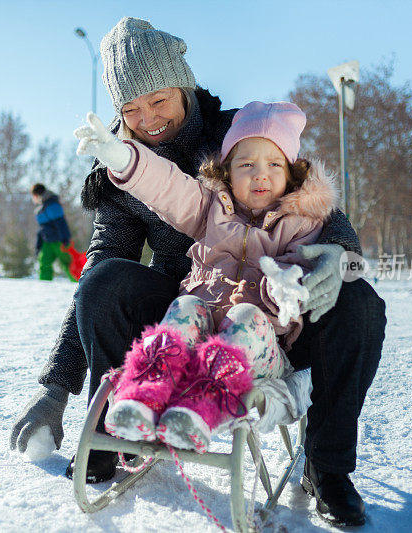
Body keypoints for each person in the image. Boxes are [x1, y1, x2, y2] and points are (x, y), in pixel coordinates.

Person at [10, 17, 385, 528]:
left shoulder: (244, 137)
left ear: (183, 84)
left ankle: (328, 465)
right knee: (104, 283)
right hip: (188, 302)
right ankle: (115, 427)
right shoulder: (121, 167)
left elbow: (322, 213)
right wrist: (57, 385)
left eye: (158, 100)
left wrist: (339, 257)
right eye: (130, 108)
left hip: (275, 314)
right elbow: (111, 252)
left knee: (359, 299)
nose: (148, 119)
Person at [76, 100, 334, 454]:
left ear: (291, 173)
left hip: (261, 352)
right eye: (247, 164)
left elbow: (306, 268)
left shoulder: (303, 223)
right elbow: (169, 189)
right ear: (228, 171)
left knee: (246, 316)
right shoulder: (212, 208)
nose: (261, 174)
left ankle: (200, 410)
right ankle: (143, 396)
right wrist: (121, 157)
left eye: (274, 164)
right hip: (200, 338)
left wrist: (288, 286)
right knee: (185, 307)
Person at [31, 183, 75, 282]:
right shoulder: (41, 208)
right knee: (44, 264)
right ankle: (44, 286)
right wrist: (38, 245)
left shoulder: (52, 205)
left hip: (59, 240)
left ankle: (78, 285)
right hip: (47, 241)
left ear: (36, 195)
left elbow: (61, 223)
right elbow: (42, 229)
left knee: (68, 264)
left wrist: (65, 238)